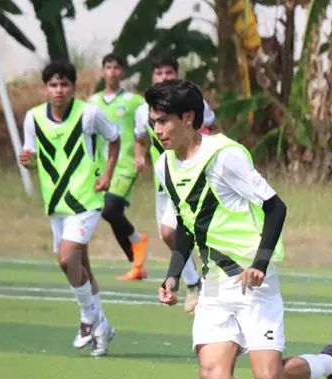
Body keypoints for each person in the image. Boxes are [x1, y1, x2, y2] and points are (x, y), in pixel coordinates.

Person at [147, 79, 332, 379]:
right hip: (215, 284)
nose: (156, 129)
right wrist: (174, 276)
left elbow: (276, 207)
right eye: (153, 121)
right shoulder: (164, 165)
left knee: (270, 377)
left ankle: (329, 362)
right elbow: (186, 223)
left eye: (163, 121)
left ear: (188, 118)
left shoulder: (225, 156)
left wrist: (260, 264)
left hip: (251, 281)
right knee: (213, 375)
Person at [19, 60, 120, 356]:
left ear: (74, 87)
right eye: (53, 85)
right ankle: (102, 328)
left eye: (64, 84)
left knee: (66, 259)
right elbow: (32, 159)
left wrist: (107, 175)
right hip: (56, 203)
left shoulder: (89, 114)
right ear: (44, 88)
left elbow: (114, 139)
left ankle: (88, 317)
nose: (59, 90)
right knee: (81, 265)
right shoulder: (33, 118)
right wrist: (28, 162)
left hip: (86, 199)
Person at [133, 55, 213, 312]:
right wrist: (138, 156)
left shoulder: (195, 104)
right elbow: (141, 138)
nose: (164, 77)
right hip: (166, 182)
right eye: (159, 73)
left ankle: (202, 281)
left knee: (179, 231)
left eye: (169, 72)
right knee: (169, 233)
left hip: (194, 180)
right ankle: (194, 282)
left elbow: (213, 128)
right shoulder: (142, 111)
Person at [88, 53, 149, 281]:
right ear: (102, 71)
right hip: (100, 166)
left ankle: (138, 241)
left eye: (116, 67)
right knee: (113, 214)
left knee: (110, 209)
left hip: (125, 164)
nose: (112, 72)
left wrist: (141, 154)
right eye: (108, 67)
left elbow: (146, 129)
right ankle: (136, 264)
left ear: (122, 72)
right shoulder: (92, 102)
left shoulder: (135, 102)